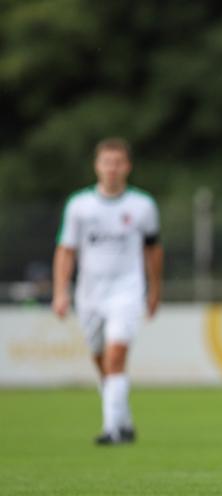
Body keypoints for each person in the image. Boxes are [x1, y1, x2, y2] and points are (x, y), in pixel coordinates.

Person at [52, 138, 163, 445]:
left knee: (116, 356)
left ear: (127, 167)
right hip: (89, 293)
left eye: (118, 163)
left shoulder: (142, 205)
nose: (112, 169)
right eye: (106, 162)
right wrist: (61, 291)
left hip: (127, 290)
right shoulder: (79, 205)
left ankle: (112, 430)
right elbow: (66, 250)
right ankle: (124, 421)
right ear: (97, 166)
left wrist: (155, 289)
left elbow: (153, 250)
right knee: (101, 359)